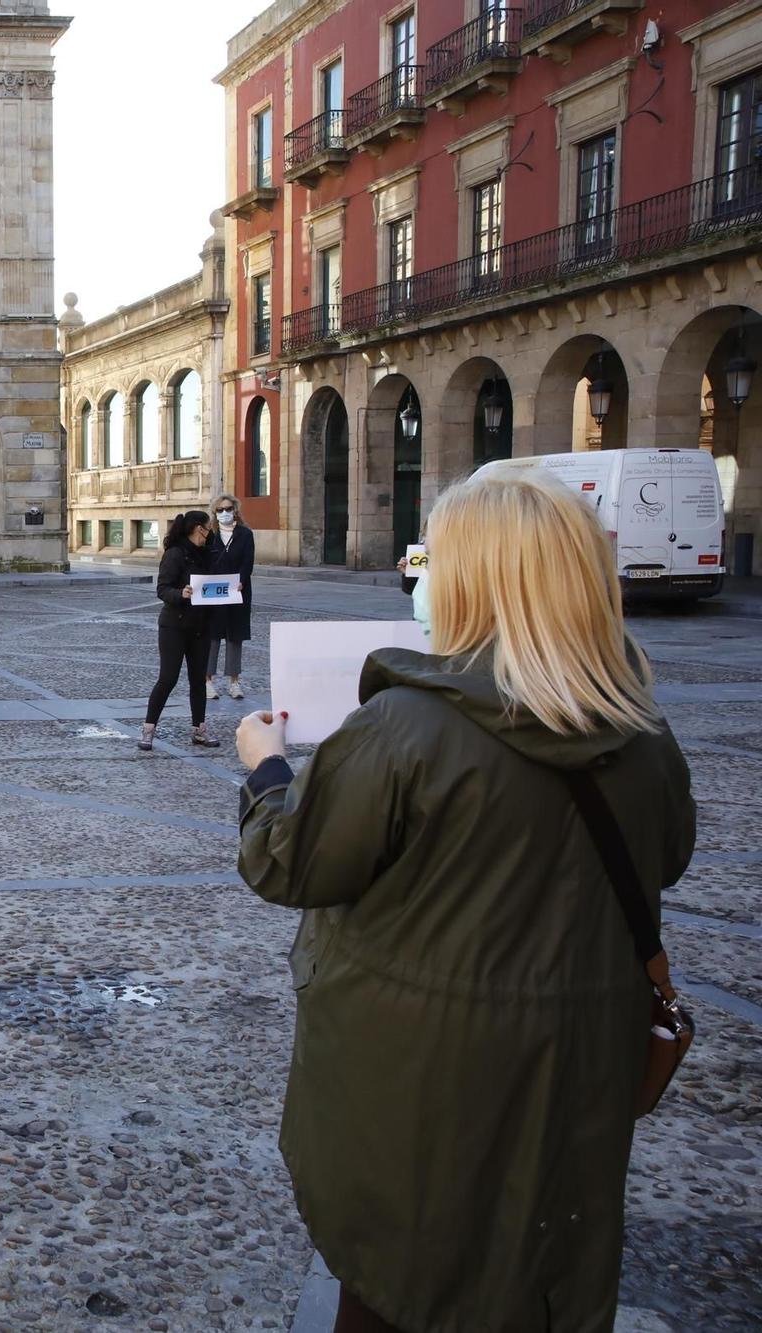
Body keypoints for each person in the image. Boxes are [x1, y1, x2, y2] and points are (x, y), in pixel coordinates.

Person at [231, 470, 695, 1333]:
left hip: (422, 1073)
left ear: (480, 579)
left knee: (401, 1274)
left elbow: (289, 865)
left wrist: (265, 770)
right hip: (577, 1063)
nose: (420, 579)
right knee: (537, 1255)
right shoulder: (642, 731)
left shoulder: (404, 726)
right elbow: (666, 858)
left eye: (432, 559)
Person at [141, 510, 220, 750]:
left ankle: (199, 729)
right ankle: (148, 729)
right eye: (208, 527)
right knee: (168, 678)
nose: (211, 532)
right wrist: (180, 594)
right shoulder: (175, 553)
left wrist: (232, 587)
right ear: (199, 528)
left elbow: (217, 581)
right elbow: (162, 589)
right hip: (174, 625)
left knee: (198, 680)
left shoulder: (207, 553)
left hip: (201, 626)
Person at [205, 494, 254, 701]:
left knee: (235, 636)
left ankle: (234, 682)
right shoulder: (210, 535)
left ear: (235, 510)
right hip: (214, 591)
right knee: (212, 637)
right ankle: (207, 681)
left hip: (238, 590)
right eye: (220, 510)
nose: (224, 513)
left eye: (228, 508)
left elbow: (248, 561)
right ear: (215, 513)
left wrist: (242, 580)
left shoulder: (245, 534)